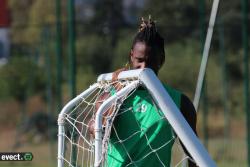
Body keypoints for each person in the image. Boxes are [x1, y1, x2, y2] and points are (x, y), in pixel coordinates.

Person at [106, 17, 198, 167]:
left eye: (150, 62)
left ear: (161, 60)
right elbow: (95, 130)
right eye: (139, 60)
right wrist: (112, 99)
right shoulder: (113, 95)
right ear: (131, 56)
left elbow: (193, 155)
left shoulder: (179, 103)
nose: (143, 68)